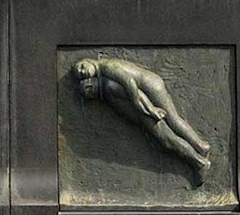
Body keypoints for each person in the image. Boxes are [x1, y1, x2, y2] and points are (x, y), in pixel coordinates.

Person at [73, 56, 213, 184]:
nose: (83, 73)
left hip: (149, 90)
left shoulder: (107, 72)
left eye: (82, 67)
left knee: (171, 128)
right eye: (81, 77)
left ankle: (200, 161)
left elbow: (131, 85)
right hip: (143, 106)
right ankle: (201, 148)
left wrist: (151, 109)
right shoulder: (105, 87)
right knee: (171, 128)